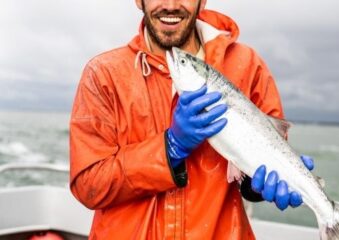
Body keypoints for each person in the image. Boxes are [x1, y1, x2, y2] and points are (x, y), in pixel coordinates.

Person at [69, 0, 314, 239]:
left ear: (202, 1)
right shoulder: (103, 74)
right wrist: (169, 148)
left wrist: (255, 186)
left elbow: (264, 154)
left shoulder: (248, 65)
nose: (171, 5)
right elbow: (89, 187)